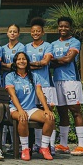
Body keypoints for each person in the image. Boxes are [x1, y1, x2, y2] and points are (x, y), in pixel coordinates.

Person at [4, 52, 55, 161]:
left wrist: (46, 109)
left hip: (31, 108)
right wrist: (20, 110)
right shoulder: (10, 76)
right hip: (15, 108)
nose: (21, 61)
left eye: (24, 59)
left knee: (49, 118)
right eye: (18, 59)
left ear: (27, 62)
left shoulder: (34, 76)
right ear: (15, 62)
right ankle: (25, 149)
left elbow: (40, 93)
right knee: (22, 118)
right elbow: (12, 95)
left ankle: (44, 148)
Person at [51, 16, 83, 156]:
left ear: (70, 28)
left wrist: (55, 60)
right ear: (58, 27)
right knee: (62, 112)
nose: (63, 28)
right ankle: (64, 145)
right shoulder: (53, 44)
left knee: (75, 110)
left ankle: (82, 146)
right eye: (61, 26)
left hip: (71, 81)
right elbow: (50, 62)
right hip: (57, 80)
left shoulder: (75, 42)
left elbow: (68, 59)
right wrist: (57, 60)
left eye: (66, 26)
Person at [25, 17, 56, 153]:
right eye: (33, 31)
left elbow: (45, 63)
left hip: (46, 84)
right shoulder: (26, 47)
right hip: (33, 86)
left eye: (38, 31)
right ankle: (38, 144)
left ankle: (51, 145)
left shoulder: (48, 46)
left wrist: (32, 64)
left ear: (42, 32)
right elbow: (24, 65)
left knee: (49, 114)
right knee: (37, 113)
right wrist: (37, 64)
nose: (35, 33)